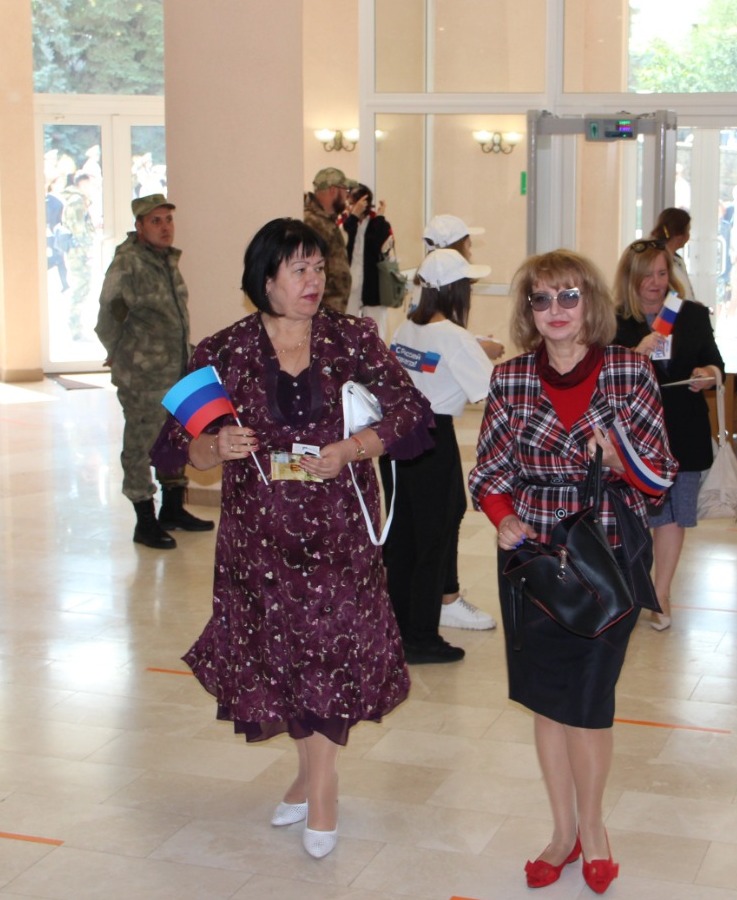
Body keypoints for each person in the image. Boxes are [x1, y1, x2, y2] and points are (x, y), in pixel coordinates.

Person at [152, 218, 434, 858]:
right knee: (285, 659)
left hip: (342, 533)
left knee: (331, 655)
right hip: (259, 543)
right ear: (266, 279)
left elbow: (410, 412)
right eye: (299, 269)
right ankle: (308, 776)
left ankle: (322, 789)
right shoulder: (224, 351)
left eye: (318, 268)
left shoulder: (353, 338)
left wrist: (351, 449)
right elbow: (177, 446)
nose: (314, 281)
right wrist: (217, 446)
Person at [469, 250, 675, 893]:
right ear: (528, 310)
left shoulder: (630, 370)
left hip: (605, 553)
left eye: (568, 296)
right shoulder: (510, 379)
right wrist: (502, 516)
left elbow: (660, 478)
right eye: (541, 299)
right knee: (547, 701)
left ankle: (594, 830)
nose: (554, 310)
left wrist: (617, 460)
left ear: (591, 302)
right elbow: (488, 473)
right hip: (532, 559)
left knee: (587, 702)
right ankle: (562, 833)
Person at [385, 248, 497, 662]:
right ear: (455, 291)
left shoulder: (404, 328)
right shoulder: (454, 336)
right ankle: (421, 638)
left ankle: (399, 630)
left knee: (403, 538)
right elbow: (490, 392)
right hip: (433, 440)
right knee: (434, 538)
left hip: (395, 439)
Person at [613, 239, 724, 631]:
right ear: (630, 278)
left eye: (662, 274)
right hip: (633, 436)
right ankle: (628, 589)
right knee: (632, 518)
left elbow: (716, 364)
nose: (656, 283)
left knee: (672, 517)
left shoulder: (690, 313)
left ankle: (661, 594)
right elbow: (603, 376)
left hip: (683, 431)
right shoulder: (613, 320)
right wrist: (636, 352)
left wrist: (707, 375)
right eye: (647, 276)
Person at [94, 194, 214, 549]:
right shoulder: (129, 263)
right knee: (140, 443)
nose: (165, 227)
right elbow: (108, 314)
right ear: (139, 226)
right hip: (143, 377)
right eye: (155, 221)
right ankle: (144, 520)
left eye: (168, 220)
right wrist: (118, 353)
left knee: (175, 437)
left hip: (174, 371)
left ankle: (172, 509)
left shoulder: (166, 260)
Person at [423, 214, 504, 361]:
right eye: (468, 246)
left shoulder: (428, 281)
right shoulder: (437, 289)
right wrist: (478, 350)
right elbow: (432, 352)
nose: (470, 253)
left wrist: (472, 343)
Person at [341, 183, 395, 329]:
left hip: (373, 286)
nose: (349, 206)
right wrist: (353, 217)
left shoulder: (378, 223)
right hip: (349, 285)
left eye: (352, 203)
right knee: (347, 327)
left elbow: (381, 248)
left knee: (375, 330)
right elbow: (341, 244)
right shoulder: (347, 223)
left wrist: (380, 217)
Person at [303, 166, 355, 314]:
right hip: (319, 313)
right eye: (345, 190)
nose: (347, 196)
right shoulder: (313, 223)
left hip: (331, 313)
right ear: (333, 190)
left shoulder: (326, 221)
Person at [63, 172, 97, 339]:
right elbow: (79, 229)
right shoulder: (77, 201)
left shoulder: (76, 200)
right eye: (90, 184)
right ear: (82, 183)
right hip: (78, 253)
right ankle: (75, 327)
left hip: (77, 251)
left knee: (81, 288)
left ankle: (76, 327)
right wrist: (86, 250)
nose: (92, 188)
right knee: (80, 288)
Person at [648, 207, 696, 300]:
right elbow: (673, 297)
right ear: (680, 236)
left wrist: (694, 307)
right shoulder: (659, 261)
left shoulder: (677, 260)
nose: (689, 236)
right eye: (688, 230)